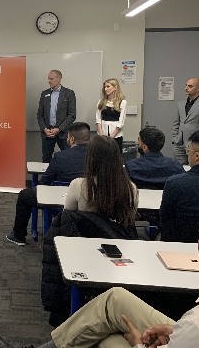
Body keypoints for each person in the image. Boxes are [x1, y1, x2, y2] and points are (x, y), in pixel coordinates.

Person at [0, 197, 199, 348]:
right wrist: (176, 333)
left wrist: (139, 344)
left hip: (196, 336)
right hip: (191, 335)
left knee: (107, 338)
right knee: (115, 299)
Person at [42, 135, 139, 326]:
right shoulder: (131, 189)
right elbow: (130, 221)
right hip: (117, 253)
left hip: (82, 254)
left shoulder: (79, 186)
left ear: (91, 158)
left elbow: (65, 219)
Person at [6, 122, 90, 246]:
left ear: (72, 139)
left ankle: (19, 236)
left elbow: (44, 183)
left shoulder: (60, 157)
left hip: (60, 204)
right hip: (89, 203)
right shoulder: (99, 156)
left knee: (25, 195)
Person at [172, 77, 199, 164]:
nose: (186, 88)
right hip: (179, 144)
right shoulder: (180, 104)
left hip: (195, 146)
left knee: (195, 170)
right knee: (179, 169)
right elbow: (176, 123)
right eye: (186, 85)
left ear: (198, 88)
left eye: (190, 86)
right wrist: (175, 138)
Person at [37, 70, 77, 163]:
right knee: (46, 159)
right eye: (48, 79)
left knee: (68, 159)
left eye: (51, 79)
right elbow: (40, 114)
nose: (49, 81)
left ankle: (66, 178)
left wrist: (59, 129)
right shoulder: (44, 94)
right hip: (48, 133)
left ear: (59, 79)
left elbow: (72, 115)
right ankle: (48, 177)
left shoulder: (69, 93)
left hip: (63, 133)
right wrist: (44, 129)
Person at [96, 78, 127, 152]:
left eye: (108, 86)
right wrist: (101, 135)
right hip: (102, 136)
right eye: (104, 87)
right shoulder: (101, 102)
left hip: (116, 136)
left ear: (115, 88)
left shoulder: (122, 102)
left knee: (115, 157)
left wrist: (111, 137)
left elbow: (121, 123)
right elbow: (98, 120)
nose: (105, 89)